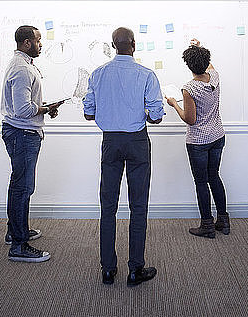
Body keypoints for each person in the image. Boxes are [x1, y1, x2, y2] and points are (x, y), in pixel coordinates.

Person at [83, 27, 164, 286]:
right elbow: (156, 116)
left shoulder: (98, 74)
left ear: (113, 45)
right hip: (137, 141)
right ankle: (135, 269)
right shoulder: (146, 75)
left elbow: (88, 113)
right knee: (138, 205)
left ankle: (108, 269)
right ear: (134, 44)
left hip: (110, 143)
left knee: (108, 206)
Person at [1, 25, 63, 262]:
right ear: (26, 43)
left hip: (21, 132)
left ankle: (15, 231)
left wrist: (45, 106)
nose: (41, 44)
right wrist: (46, 109)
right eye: (38, 40)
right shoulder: (22, 69)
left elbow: (26, 104)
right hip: (22, 134)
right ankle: (18, 245)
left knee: (18, 185)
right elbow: (24, 109)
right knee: (23, 188)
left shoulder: (22, 64)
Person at [166, 39, 230, 238]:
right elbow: (209, 65)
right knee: (214, 177)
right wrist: (199, 46)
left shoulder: (189, 89)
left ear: (188, 66)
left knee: (201, 182)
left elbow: (190, 119)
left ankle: (207, 226)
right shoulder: (215, 77)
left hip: (199, 142)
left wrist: (174, 104)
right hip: (218, 136)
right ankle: (223, 221)